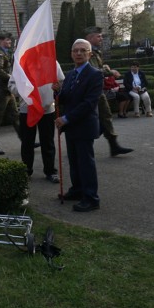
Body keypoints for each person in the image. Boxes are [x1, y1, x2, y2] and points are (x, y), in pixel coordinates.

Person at [54, 39, 102, 212]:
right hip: (71, 127)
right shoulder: (71, 74)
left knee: (85, 163)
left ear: (90, 54)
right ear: (71, 53)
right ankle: (77, 190)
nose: (79, 53)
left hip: (84, 126)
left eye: (83, 50)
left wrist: (65, 119)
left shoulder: (95, 74)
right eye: (76, 51)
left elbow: (88, 104)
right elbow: (66, 97)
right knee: (74, 161)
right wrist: (57, 92)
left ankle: (91, 198)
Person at [9, 62, 64, 183]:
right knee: (27, 141)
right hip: (27, 108)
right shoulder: (21, 62)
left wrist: (57, 88)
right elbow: (11, 85)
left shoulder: (51, 60)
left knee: (48, 141)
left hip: (47, 108)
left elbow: (61, 80)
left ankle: (50, 171)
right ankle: (26, 170)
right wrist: (24, 91)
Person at [84, 26, 133, 156]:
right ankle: (83, 144)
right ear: (90, 38)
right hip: (92, 91)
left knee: (103, 117)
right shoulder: (87, 51)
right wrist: (110, 72)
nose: (101, 38)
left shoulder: (95, 52)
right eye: (98, 36)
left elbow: (96, 68)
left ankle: (111, 145)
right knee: (102, 117)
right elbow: (92, 71)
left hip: (97, 90)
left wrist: (104, 67)